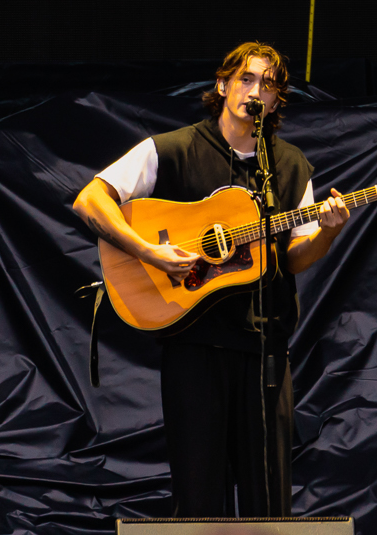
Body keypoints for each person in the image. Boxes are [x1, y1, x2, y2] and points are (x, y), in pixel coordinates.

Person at [72, 42, 352, 519]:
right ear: (222, 85)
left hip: (265, 348)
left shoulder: (289, 166)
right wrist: (148, 251)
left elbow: (295, 258)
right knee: (198, 498)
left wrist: (328, 231)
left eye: (268, 84)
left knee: (270, 500)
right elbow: (90, 199)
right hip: (195, 348)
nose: (255, 91)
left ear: (277, 99)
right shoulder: (173, 148)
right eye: (246, 79)